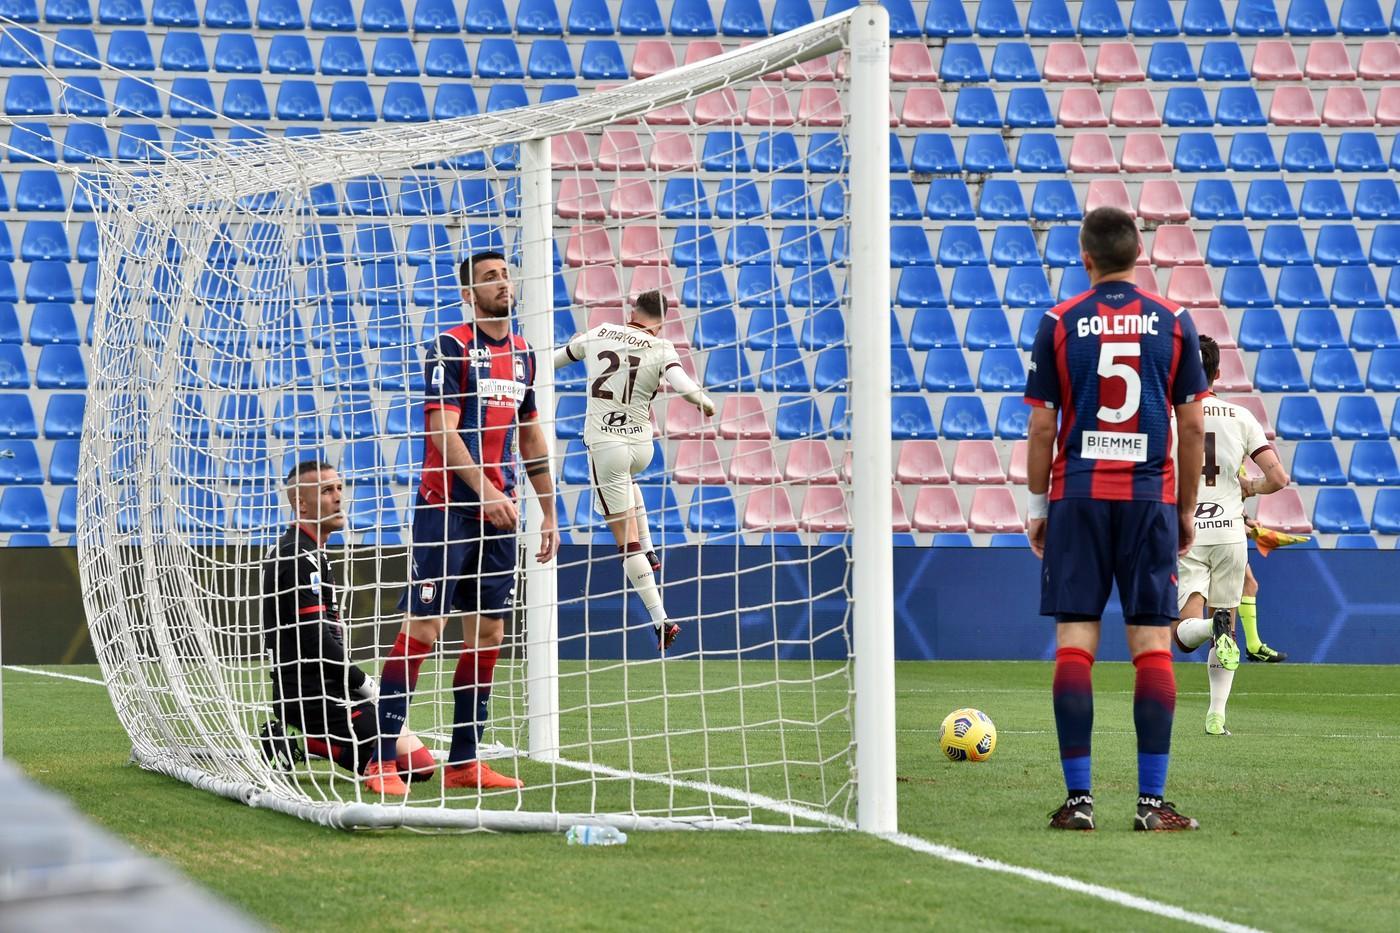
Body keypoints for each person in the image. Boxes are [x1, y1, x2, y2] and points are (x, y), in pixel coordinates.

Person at [1024, 206, 1209, 833]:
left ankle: (1079, 803)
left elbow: (1043, 423)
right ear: (1138, 255)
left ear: (1086, 258)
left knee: (1075, 642)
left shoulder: (1058, 321)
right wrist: (1184, 510)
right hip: (1147, 499)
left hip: (1076, 495)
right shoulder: (1176, 324)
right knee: (1152, 645)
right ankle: (1151, 804)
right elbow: (1191, 426)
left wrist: (1036, 507)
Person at [364, 252, 559, 797]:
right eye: (489, 278)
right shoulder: (450, 347)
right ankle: (381, 759)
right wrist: (489, 491)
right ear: (469, 295)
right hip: (447, 510)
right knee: (424, 628)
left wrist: (549, 508)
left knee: (490, 632)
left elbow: (531, 436)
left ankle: (465, 760)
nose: (503, 283)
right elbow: (444, 436)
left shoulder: (524, 355)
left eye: (505, 275)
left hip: (501, 514)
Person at [554, 289, 715, 652]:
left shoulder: (599, 332)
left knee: (626, 546)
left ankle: (661, 620)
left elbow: (553, 361)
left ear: (633, 309)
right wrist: (705, 403)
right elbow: (685, 388)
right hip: (642, 445)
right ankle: (651, 549)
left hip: (606, 446)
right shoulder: (662, 348)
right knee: (628, 483)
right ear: (663, 319)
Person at [260, 461, 435, 783]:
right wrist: (364, 682)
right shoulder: (296, 555)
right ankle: (298, 738)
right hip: (311, 696)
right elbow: (314, 640)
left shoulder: (311, 551)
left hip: (334, 689)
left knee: (421, 764)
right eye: (327, 490)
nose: (338, 497)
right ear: (301, 502)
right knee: (415, 768)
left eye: (340, 488)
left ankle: (303, 742)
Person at [1171, 337, 1291, 736]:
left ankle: (1211, 627)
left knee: (1185, 635)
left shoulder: (1169, 418)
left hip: (1186, 532)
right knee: (1229, 625)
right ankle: (1216, 716)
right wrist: (1248, 488)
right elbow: (1278, 478)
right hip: (1229, 534)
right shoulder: (1241, 417)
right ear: (1217, 374)